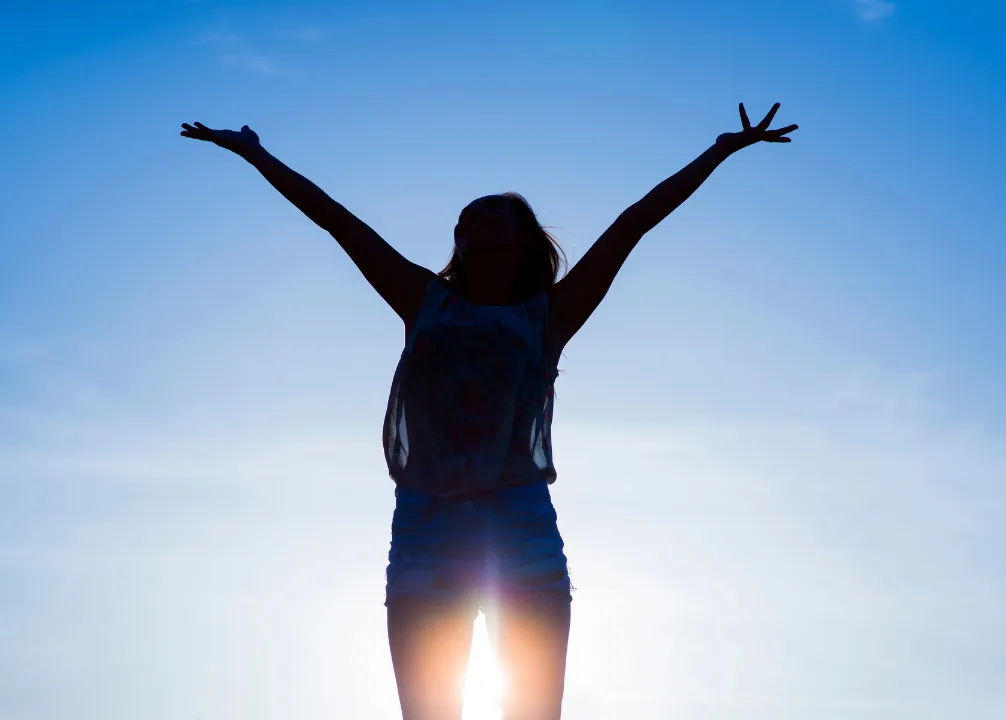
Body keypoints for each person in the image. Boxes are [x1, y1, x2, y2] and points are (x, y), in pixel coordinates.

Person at [180, 102, 797, 720]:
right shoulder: (422, 298)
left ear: (526, 240)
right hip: (426, 529)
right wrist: (256, 154)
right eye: (465, 220)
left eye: (491, 215)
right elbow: (337, 223)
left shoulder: (551, 315)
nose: (473, 223)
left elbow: (634, 223)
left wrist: (719, 151)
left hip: (520, 528)